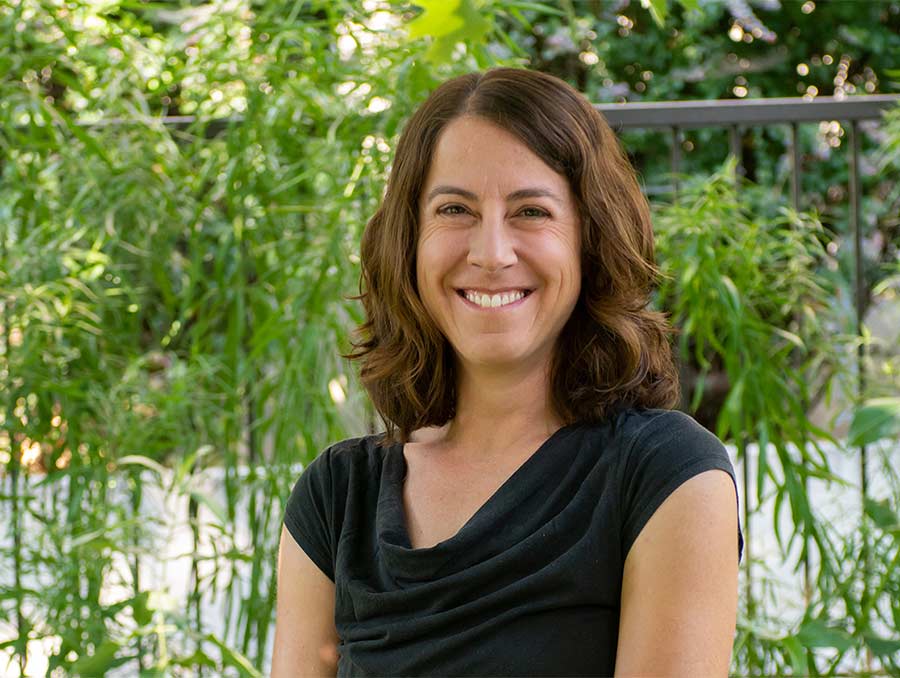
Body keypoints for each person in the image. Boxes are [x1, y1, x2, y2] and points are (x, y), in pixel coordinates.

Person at [271, 67, 743, 677]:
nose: (491, 253)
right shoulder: (336, 497)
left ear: (589, 239)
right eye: (454, 209)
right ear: (409, 241)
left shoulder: (664, 476)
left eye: (530, 211)